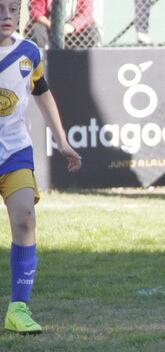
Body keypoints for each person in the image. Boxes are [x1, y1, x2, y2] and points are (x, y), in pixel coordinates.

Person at [0, 0, 82, 334]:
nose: (6, 17)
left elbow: (42, 92)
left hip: (15, 152)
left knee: (25, 220)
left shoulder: (29, 51)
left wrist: (61, 140)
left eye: (11, 10)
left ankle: (18, 308)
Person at [26, 0, 100, 48]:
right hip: (50, 26)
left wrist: (72, 26)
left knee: (92, 32)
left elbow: (86, 13)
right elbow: (36, 11)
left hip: (73, 29)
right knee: (36, 29)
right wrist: (52, 25)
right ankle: (42, 62)